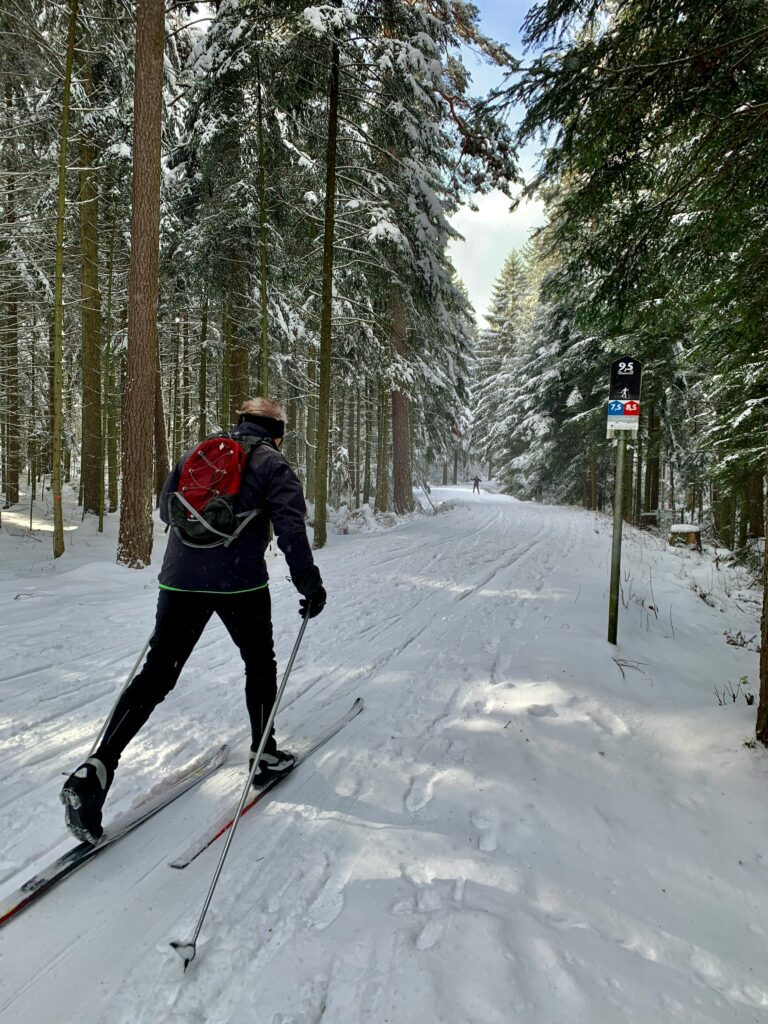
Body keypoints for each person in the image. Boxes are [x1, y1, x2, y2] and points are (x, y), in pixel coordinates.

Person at [60, 398, 326, 845]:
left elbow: (167, 511)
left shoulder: (198, 452)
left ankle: (97, 769)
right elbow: (291, 526)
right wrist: (309, 584)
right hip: (239, 584)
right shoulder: (273, 463)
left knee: (158, 673)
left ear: (239, 422)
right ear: (277, 430)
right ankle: (263, 755)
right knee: (259, 661)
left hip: (180, 581)